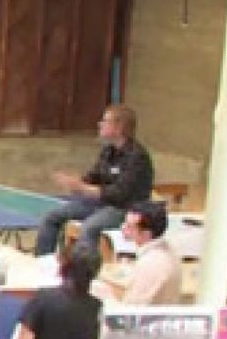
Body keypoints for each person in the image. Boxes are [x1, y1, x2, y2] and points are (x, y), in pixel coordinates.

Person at [38, 104, 154, 256]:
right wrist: (75, 182)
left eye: (105, 121)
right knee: (52, 216)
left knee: (89, 227)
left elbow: (119, 194)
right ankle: (43, 262)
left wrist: (82, 188)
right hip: (102, 205)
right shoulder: (108, 151)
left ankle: (84, 271)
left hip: (125, 209)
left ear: (119, 127)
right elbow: (93, 177)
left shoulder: (137, 157)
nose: (100, 124)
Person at [107, 201, 185, 306]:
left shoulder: (151, 263)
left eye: (129, 226)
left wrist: (107, 297)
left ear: (146, 234)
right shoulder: (169, 251)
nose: (123, 228)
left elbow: (130, 312)